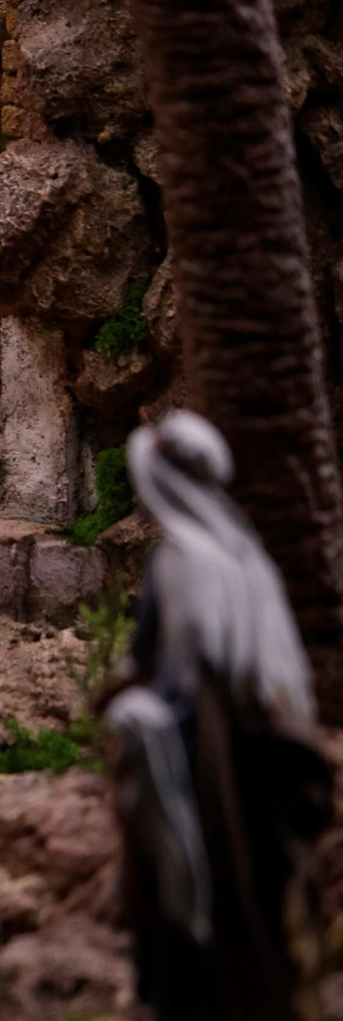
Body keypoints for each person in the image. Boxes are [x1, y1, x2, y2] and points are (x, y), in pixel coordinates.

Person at [100, 411, 333, 1021]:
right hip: (258, 742)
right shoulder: (245, 559)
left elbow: (154, 662)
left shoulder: (179, 562)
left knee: (193, 888)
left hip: (198, 752)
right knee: (252, 883)